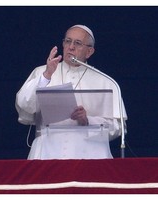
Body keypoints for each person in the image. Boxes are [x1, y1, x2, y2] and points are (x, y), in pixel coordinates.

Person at [15, 24, 127, 160]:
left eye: (78, 43)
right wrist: (47, 75)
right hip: (46, 153)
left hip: (90, 156)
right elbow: (24, 105)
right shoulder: (42, 72)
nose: (71, 46)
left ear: (89, 52)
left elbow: (118, 127)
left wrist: (88, 121)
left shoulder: (106, 81)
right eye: (68, 41)